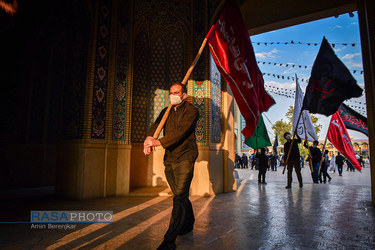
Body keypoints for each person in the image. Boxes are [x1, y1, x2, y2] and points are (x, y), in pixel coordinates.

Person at [144, 83, 199, 250]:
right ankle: (188, 223)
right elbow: (156, 125)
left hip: (185, 157)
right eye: (171, 93)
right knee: (179, 195)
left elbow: (181, 132)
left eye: (176, 93)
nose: (173, 95)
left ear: (183, 95)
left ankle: (169, 240)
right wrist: (148, 140)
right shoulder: (166, 110)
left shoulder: (192, 111)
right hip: (170, 158)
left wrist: (158, 142)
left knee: (178, 198)